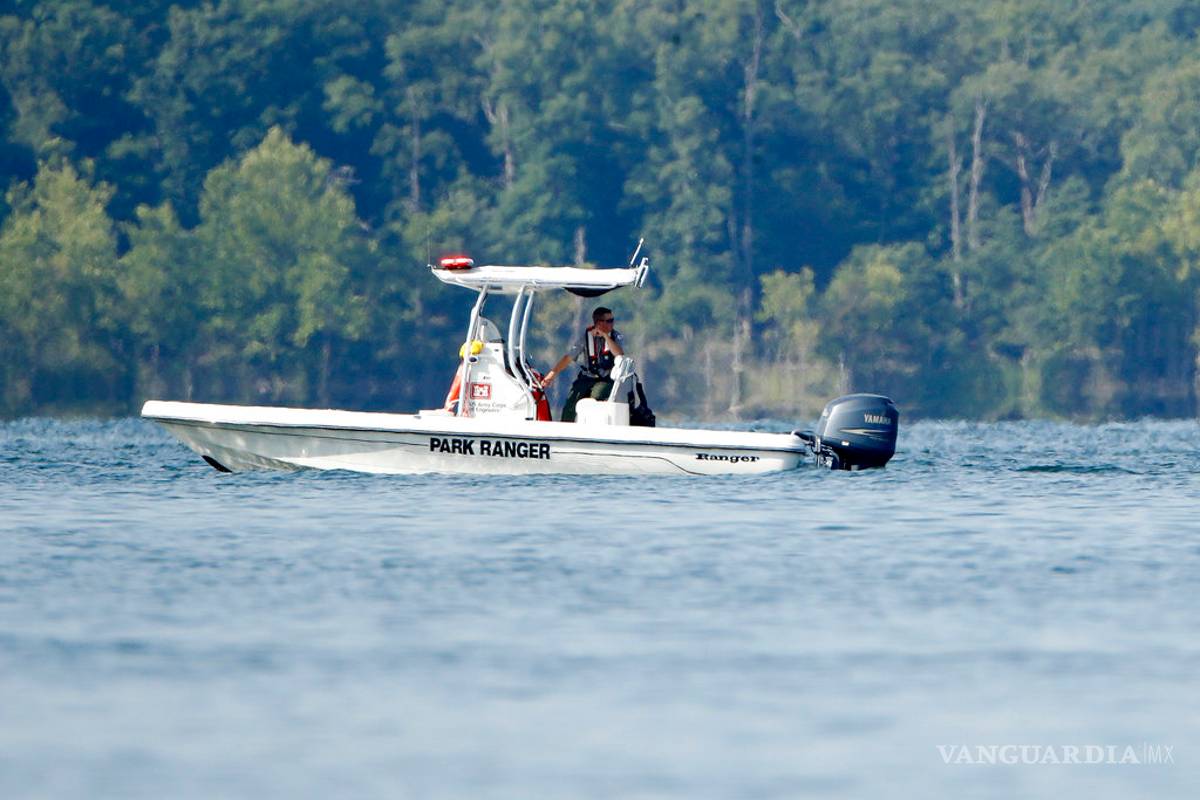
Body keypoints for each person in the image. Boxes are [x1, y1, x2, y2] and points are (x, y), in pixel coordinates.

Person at [541, 306, 624, 422]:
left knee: (597, 398)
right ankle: (565, 429)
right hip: (587, 377)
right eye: (609, 321)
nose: (612, 323)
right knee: (571, 403)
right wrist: (551, 376)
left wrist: (605, 336)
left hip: (605, 378)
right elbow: (568, 357)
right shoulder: (586, 337)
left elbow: (619, 354)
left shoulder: (616, 336)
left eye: (612, 320)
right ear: (599, 323)